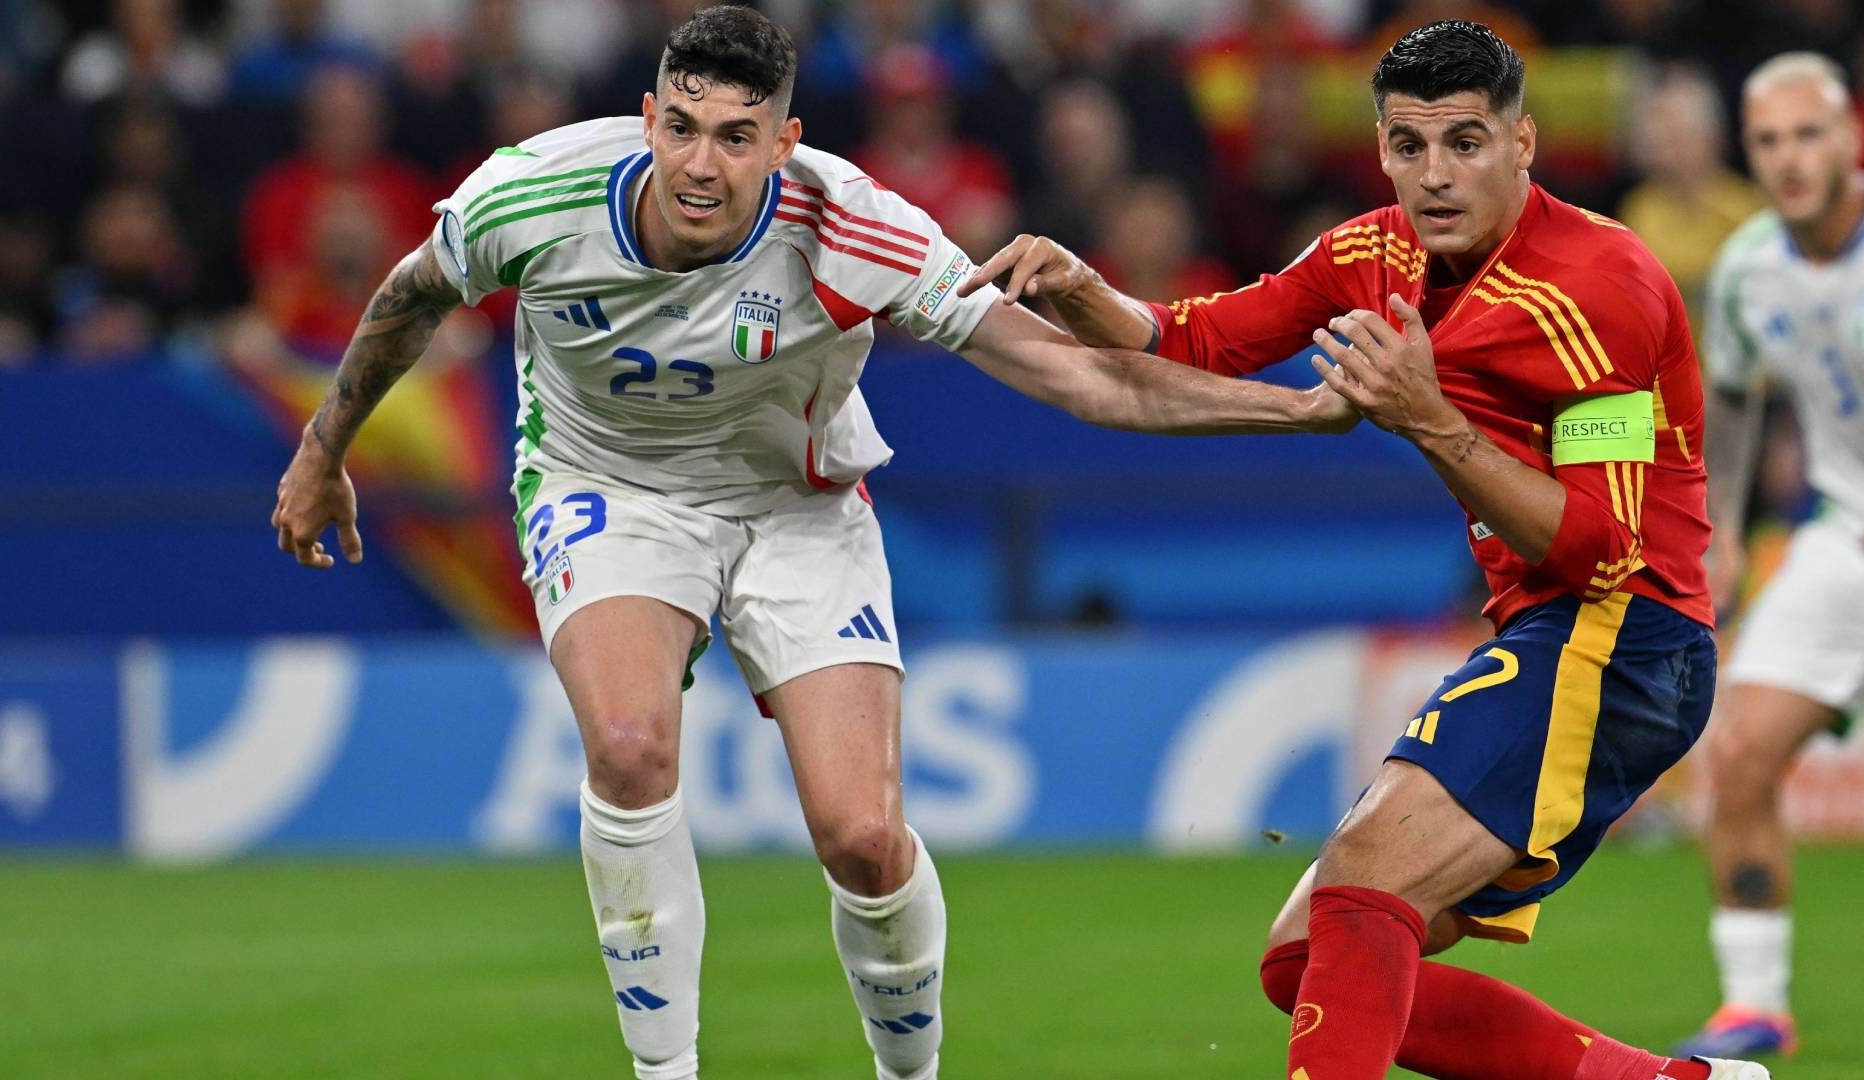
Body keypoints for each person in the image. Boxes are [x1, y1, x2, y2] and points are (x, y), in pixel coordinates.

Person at [267, 8, 1354, 1079]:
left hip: (798, 506)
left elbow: (1088, 380)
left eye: (736, 137)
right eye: (682, 128)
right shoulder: (533, 194)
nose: (702, 165)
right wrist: (322, 452)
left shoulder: (856, 229)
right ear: (647, 118)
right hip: (608, 487)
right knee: (631, 746)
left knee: (864, 840)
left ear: (784, 143)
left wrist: (1303, 411)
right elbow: (412, 295)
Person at [962, 20, 1766, 1080]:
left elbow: (1598, 550)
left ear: (1523, 142)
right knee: (1309, 958)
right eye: (1408, 145)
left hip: (1627, 638)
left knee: (1365, 880)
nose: (1435, 175)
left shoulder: (1598, 288)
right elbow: (1195, 336)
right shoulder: (1372, 251)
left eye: (1466, 142)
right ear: (1381, 147)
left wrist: (1429, 418)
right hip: (1556, 631)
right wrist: (1081, 289)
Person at [1673, 51, 1864, 1062]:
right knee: (1741, 753)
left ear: (1850, 140)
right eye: (1769, 141)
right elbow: (1736, 396)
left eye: (1808, 135)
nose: (1790, 158)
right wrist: (1726, 530)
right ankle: (1755, 1005)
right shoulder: (1749, 268)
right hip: (1845, 542)